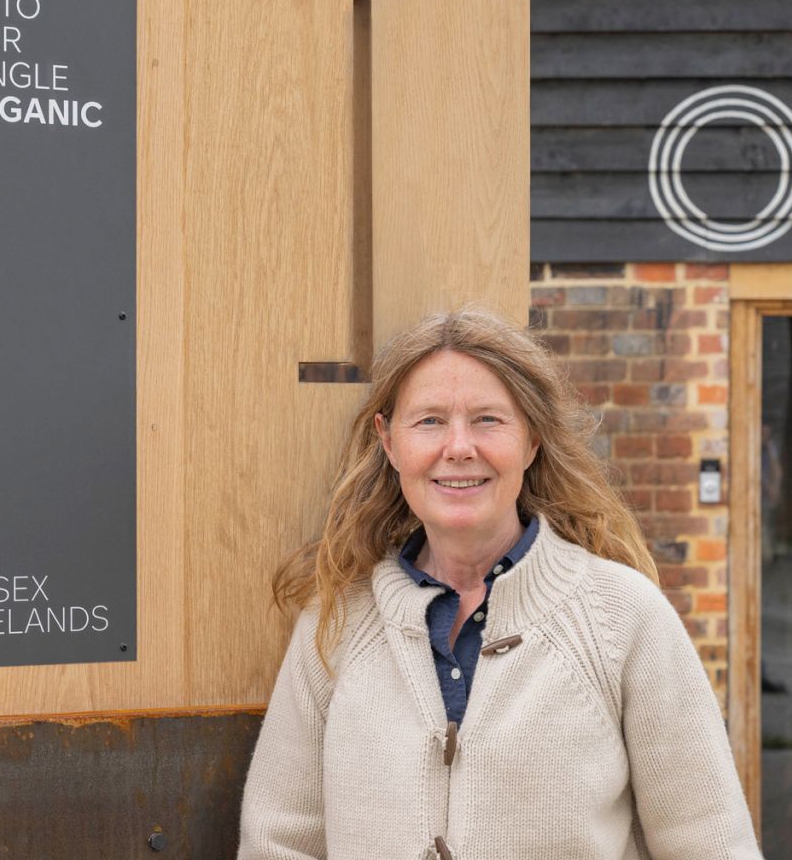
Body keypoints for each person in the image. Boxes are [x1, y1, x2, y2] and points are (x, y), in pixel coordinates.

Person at [238, 310, 763, 859]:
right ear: (388, 442)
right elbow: (279, 840)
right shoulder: (335, 622)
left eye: (488, 420)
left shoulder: (624, 617)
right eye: (430, 421)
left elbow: (710, 842)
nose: (459, 447)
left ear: (532, 440)